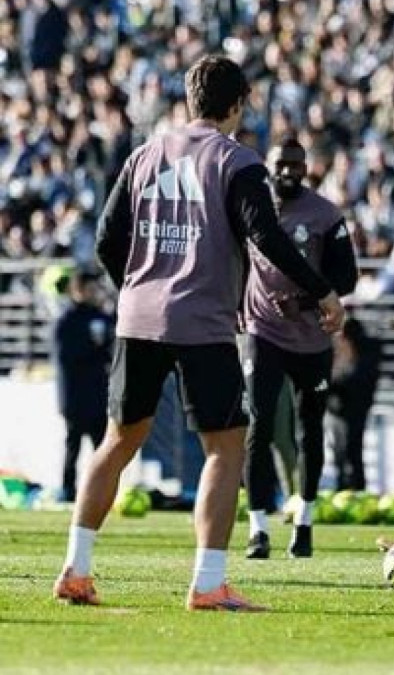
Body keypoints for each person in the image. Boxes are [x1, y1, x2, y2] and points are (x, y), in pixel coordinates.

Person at [53, 55, 345, 612]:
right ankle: (209, 582)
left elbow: (107, 241)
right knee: (226, 446)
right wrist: (321, 290)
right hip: (202, 323)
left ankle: (76, 568)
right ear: (238, 105)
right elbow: (268, 238)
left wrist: (137, 289)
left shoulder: (144, 154)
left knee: (119, 441)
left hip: (138, 317)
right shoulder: (237, 162)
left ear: (189, 100)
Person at [243, 138, 358, 560]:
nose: (289, 171)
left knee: (311, 430)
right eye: (281, 163)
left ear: (308, 168)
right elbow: (237, 259)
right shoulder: (252, 209)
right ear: (268, 167)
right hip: (263, 332)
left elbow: (347, 278)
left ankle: (304, 522)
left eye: (296, 164)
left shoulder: (325, 214)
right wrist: (237, 304)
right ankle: (258, 528)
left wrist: (305, 302)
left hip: (311, 339)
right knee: (258, 426)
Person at [51, 270, 114, 504]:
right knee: (73, 446)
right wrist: (96, 350)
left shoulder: (101, 315)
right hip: (76, 396)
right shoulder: (67, 320)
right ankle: (68, 491)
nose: (95, 292)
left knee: (102, 448)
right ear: (78, 290)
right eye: (91, 288)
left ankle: (101, 492)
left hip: (97, 394)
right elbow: (67, 357)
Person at [327, 317, 380, 491]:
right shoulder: (343, 352)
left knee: (351, 451)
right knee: (340, 452)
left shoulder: (365, 355)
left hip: (353, 408)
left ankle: (354, 488)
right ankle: (344, 486)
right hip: (339, 408)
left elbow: (350, 381)